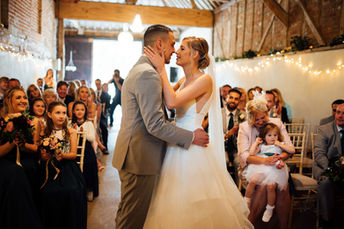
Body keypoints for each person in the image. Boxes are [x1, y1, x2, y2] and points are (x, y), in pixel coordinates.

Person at [143, 35, 253, 228]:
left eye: (182, 48)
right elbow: (163, 96)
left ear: (195, 54)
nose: (177, 51)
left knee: (192, 202)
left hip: (192, 149)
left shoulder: (205, 80)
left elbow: (172, 102)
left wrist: (161, 69)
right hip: (178, 142)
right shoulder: (185, 79)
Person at [113, 25, 209, 229]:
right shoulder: (148, 74)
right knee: (132, 219)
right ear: (159, 44)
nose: (174, 50)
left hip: (138, 154)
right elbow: (155, 124)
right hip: (140, 158)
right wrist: (191, 137)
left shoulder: (144, 69)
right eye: (173, 44)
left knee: (128, 213)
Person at [237, 92, 294, 229]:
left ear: (266, 112)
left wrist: (280, 158)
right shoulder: (245, 127)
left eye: (263, 117)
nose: (261, 122)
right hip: (253, 168)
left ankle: (283, 226)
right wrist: (264, 161)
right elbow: (244, 156)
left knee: (282, 186)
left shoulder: (277, 123)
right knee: (263, 186)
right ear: (250, 119)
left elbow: (289, 148)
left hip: (277, 166)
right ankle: (249, 224)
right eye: (256, 120)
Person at [0, 87, 43, 229]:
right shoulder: (2, 121)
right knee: (14, 172)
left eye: (24, 97)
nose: (22, 100)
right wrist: (12, 142)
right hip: (5, 160)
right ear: (8, 100)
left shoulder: (34, 121)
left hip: (27, 159)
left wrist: (23, 144)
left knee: (25, 169)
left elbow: (37, 148)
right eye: (18, 97)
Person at [39, 101, 87, 229]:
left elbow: (73, 154)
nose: (61, 116)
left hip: (68, 167)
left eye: (64, 113)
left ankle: (70, 223)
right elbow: (42, 156)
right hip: (50, 168)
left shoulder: (71, 132)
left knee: (71, 191)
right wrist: (46, 156)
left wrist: (62, 155)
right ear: (49, 114)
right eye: (58, 113)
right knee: (48, 192)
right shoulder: (45, 133)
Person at [244, 123, 294, 222]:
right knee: (253, 180)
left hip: (276, 168)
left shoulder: (280, 145)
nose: (273, 138)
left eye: (275, 135)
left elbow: (292, 150)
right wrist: (256, 143)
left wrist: (279, 144)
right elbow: (251, 153)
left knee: (271, 187)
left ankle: (269, 208)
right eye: (269, 135)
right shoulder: (262, 146)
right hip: (263, 167)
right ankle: (246, 200)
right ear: (264, 136)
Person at [314, 104, 344, 228]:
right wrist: (333, 170)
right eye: (338, 112)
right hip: (326, 168)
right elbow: (319, 154)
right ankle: (327, 221)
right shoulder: (324, 129)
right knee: (327, 183)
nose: (340, 116)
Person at [70, 101, 99, 202]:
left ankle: (89, 188)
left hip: (86, 149)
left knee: (88, 165)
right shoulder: (71, 123)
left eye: (82, 109)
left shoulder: (88, 123)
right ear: (73, 111)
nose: (79, 112)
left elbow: (91, 138)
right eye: (77, 109)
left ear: (85, 111)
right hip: (74, 148)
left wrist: (81, 133)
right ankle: (77, 189)